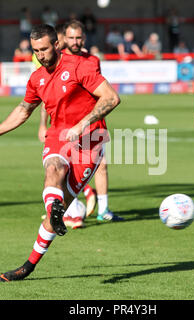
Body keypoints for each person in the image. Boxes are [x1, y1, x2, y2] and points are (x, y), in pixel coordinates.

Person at [0, 24, 121, 282]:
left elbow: (110, 98)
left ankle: (28, 264)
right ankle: (54, 209)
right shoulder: (37, 78)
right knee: (53, 168)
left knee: (59, 211)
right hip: (58, 136)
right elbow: (22, 111)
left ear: (57, 45)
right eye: (35, 50)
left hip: (91, 142)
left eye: (44, 49)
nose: (40, 55)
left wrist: (82, 124)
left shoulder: (79, 67)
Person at [40, 20, 123, 229]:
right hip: (64, 126)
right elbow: (47, 97)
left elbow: (101, 93)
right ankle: (68, 210)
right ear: (63, 39)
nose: (75, 42)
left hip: (91, 124)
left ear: (83, 38)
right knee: (65, 168)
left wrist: (96, 119)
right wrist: (42, 125)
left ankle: (103, 210)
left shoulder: (92, 60)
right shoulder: (57, 61)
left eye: (79, 38)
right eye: (71, 38)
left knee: (101, 165)